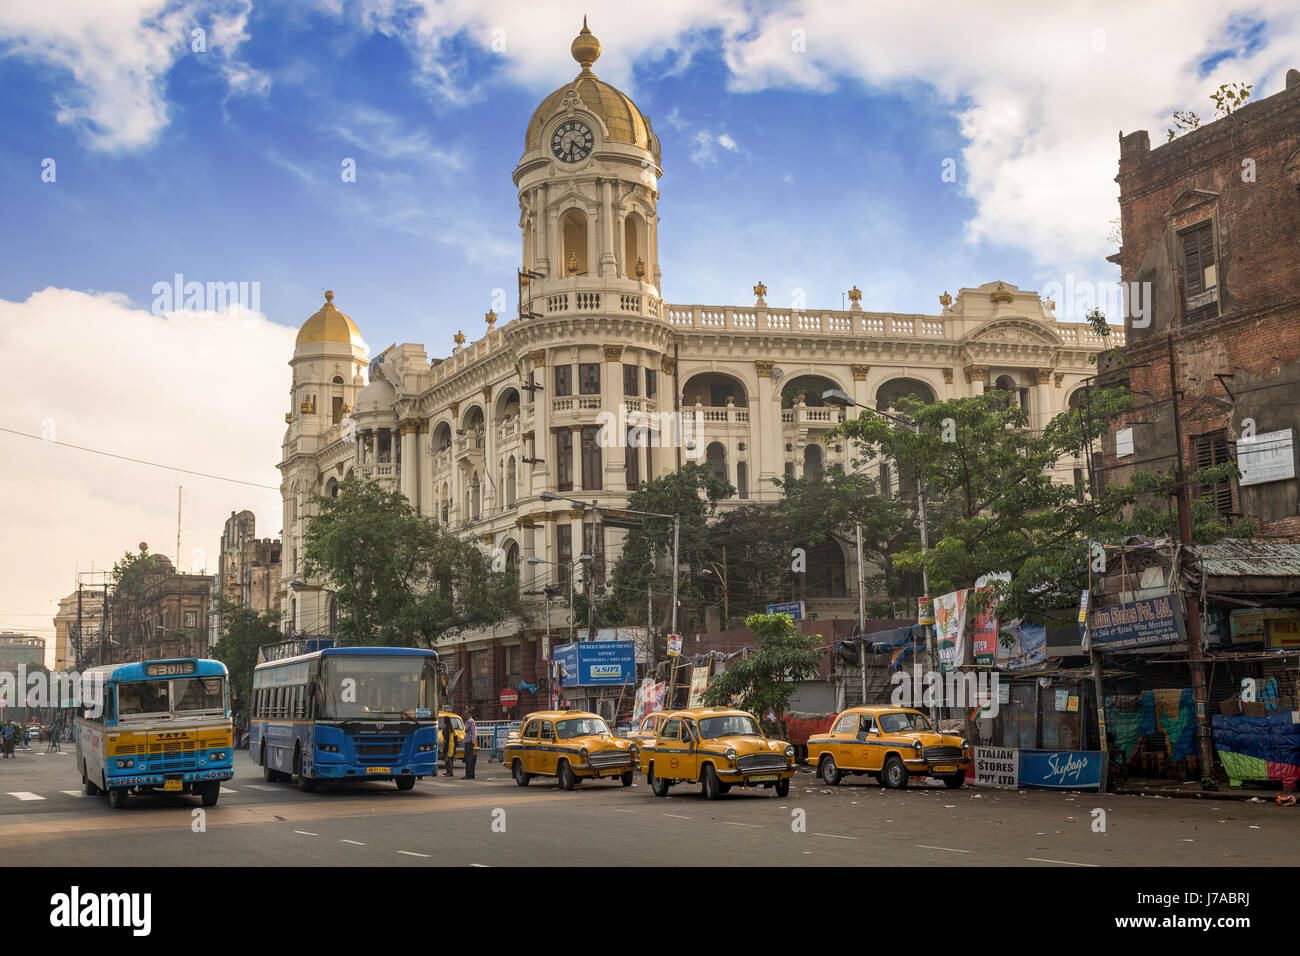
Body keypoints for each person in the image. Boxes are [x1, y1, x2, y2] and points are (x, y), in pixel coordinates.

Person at [463, 709, 477, 780]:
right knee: (470, 758)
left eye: (466, 713)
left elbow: (466, 730)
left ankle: (468, 774)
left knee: (468, 759)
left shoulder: (470, 721)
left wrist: (472, 742)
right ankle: (471, 774)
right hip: (469, 742)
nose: (465, 715)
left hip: (469, 742)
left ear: (469, 714)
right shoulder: (470, 721)